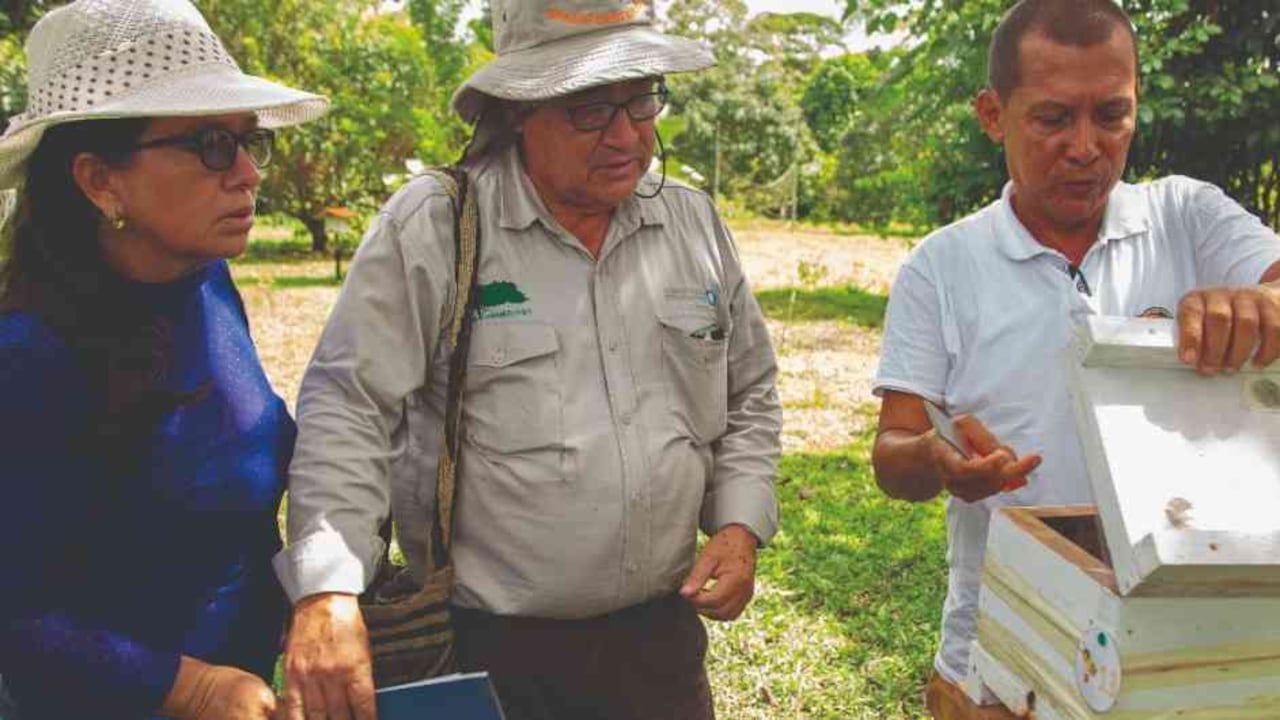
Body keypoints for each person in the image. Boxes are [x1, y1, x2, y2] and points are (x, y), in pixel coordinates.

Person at [272, 1, 783, 718]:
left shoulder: (690, 221)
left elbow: (750, 390)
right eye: (588, 108)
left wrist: (738, 524)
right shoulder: (439, 223)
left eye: (641, 99)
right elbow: (350, 404)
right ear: (518, 109)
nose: (626, 134)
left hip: (660, 646)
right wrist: (328, 588)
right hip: (492, 653)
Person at [870, 0, 1280, 718]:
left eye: (1111, 115)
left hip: (1183, 645)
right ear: (994, 114)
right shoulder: (941, 269)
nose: (1086, 147)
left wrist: (1262, 306)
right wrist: (940, 462)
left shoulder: (1187, 217)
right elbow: (892, 451)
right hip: (1004, 643)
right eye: (1054, 119)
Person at [0, 1, 328, 718]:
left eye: (248, 142)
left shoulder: (206, 286)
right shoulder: (31, 358)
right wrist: (191, 686)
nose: (246, 171)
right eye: (212, 144)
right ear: (99, 180)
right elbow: (17, 616)